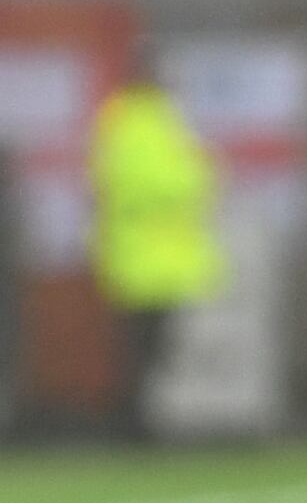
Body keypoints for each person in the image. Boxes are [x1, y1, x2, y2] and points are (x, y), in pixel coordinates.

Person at [88, 45, 225, 443]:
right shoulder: (127, 122)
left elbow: (198, 174)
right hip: (141, 257)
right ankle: (133, 423)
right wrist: (191, 185)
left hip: (164, 258)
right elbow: (157, 182)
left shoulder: (164, 119)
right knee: (141, 349)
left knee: (155, 349)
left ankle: (145, 419)